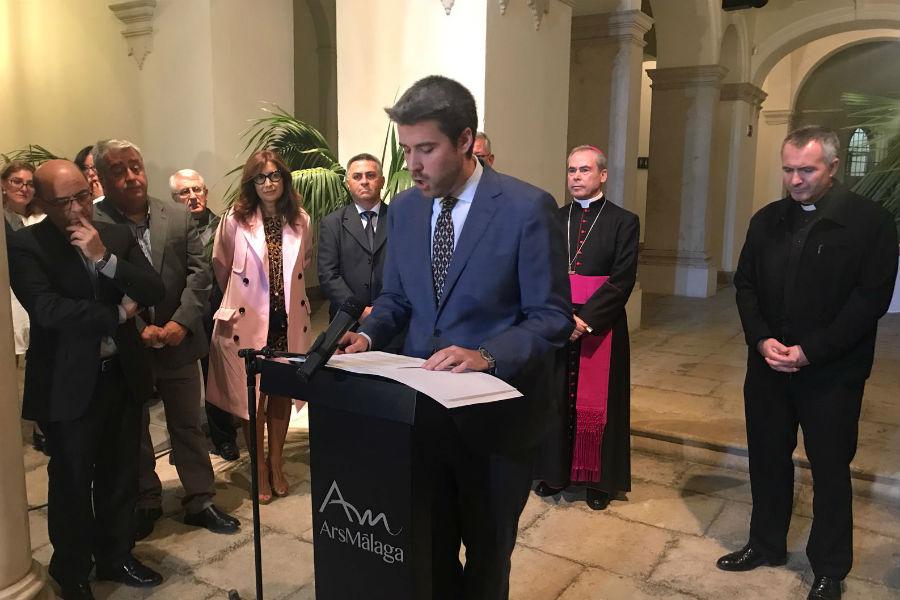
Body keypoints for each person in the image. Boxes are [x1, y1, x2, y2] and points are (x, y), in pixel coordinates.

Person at [340, 75, 572, 600]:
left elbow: (551, 317)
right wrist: (368, 336)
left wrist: (487, 355)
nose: (413, 166)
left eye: (426, 149)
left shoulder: (526, 208)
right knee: (429, 550)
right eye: (406, 151)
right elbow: (397, 300)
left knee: (488, 559)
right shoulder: (404, 209)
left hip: (498, 425)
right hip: (422, 417)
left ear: (465, 141)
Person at [720, 126, 898, 600]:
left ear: (834, 167)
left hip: (831, 373)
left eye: (807, 170)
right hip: (768, 367)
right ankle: (766, 543)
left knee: (831, 468)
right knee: (766, 458)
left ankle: (830, 567)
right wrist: (761, 341)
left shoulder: (870, 222)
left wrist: (811, 350)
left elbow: (870, 300)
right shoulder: (767, 219)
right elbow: (745, 285)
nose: (795, 180)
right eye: (788, 169)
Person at [8, 159, 166, 599]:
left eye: (83, 194)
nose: (79, 208)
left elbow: (153, 290)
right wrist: (116, 313)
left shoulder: (113, 234)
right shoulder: (27, 245)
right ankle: (72, 568)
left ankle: (117, 554)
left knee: (120, 474)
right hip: (68, 383)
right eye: (65, 201)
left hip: (121, 374)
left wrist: (106, 259)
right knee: (72, 481)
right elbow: (48, 311)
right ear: (41, 202)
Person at [92, 140, 239, 540]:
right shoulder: (93, 223)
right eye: (118, 170)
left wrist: (180, 324)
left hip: (179, 341)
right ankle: (145, 499)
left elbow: (199, 275)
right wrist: (139, 330)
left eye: (135, 166)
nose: (131, 176)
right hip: (127, 346)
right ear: (102, 178)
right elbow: (95, 286)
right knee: (134, 428)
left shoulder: (175, 215)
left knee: (188, 424)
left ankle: (200, 499)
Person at [533, 145, 639, 510]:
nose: (575, 177)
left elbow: (622, 280)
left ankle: (598, 480)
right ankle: (554, 472)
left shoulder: (624, 221)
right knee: (555, 398)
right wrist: (562, 317)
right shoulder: (554, 219)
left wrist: (587, 320)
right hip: (557, 320)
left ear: (602, 175)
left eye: (584, 170)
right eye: (571, 170)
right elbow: (543, 273)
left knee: (600, 402)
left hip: (601, 324)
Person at [206, 149, 314, 502]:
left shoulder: (301, 220)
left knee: (281, 393)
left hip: (286, 321)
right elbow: (222, 266)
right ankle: (259, 470)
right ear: (251, 183)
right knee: (253, 401)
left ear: (284, 179)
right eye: (261, 177)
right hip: (249, 322)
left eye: (274, 176)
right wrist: (244, 302)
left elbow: (304, 264)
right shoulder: (234, 220)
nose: (268, 183)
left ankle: (277, 463)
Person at [169, 168, 239, 461]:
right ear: (174, 198)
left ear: (206, 193)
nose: (192, 196)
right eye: (184, 192)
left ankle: (224, 438)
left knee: (217, 377)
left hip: (215, 314)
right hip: (181, 315)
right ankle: (184, 442)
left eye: (197, 190)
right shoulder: (169, 230)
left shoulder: (224, 225)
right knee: (182, 385)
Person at [317, 153, 404, 352]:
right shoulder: (332, 223)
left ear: (381, 181)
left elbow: (406, 271)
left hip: (392, 324)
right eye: (357, 177)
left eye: (370, 175)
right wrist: (360, 311)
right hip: (345, 321)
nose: (364, 181)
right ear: (348, 183)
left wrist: (381, 311)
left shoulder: (399, 219)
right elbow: (329, 275)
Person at [3, 160, 48, 453]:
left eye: (30, 183)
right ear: (3, 185)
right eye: (17, 181)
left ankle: (41, 426)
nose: (24, 187)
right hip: (7, 300)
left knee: (38, 365)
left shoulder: (38, 219)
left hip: (32, 300)